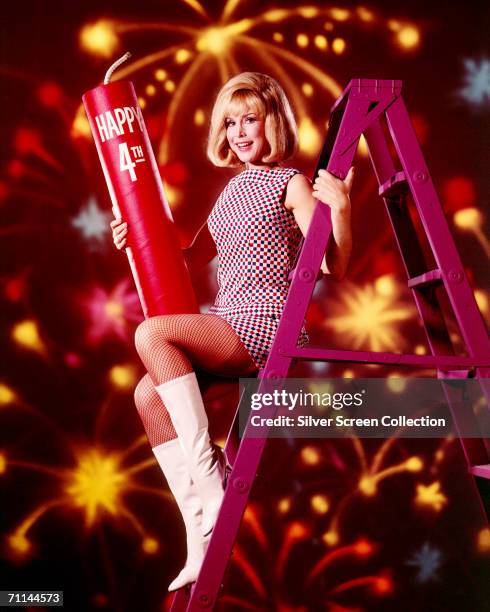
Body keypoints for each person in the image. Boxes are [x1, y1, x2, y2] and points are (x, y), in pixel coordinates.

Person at [110, 72, 354, 591]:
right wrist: (132, 238)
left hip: (265, 321)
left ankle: (211, 478)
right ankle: (197, 531)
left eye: (251, 119)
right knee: (146, 396)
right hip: (226, 318)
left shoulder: (288, 183)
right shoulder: (232, 189)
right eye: (231, 122)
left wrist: (344, 211)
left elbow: (331, 262)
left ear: (274, 122)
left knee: (152, 335)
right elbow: (189, 257)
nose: (241, 131)